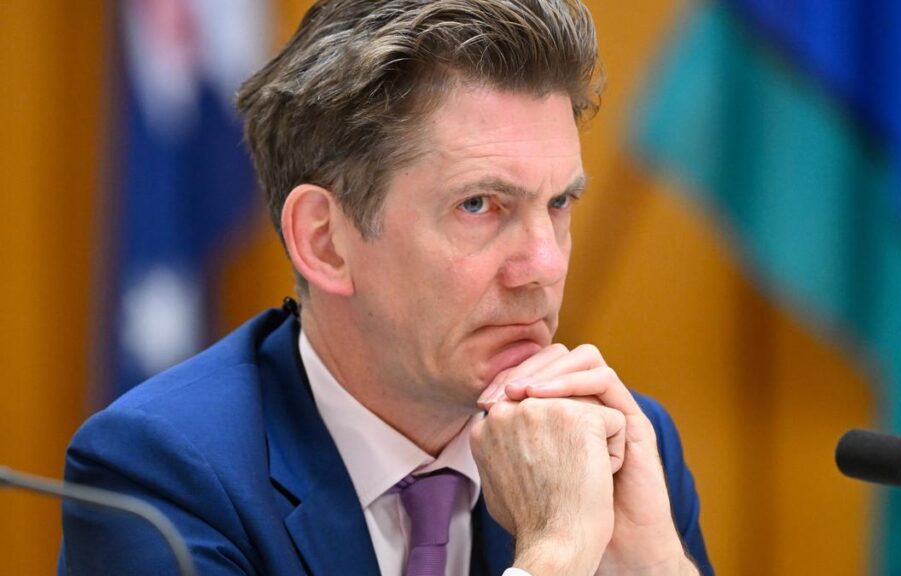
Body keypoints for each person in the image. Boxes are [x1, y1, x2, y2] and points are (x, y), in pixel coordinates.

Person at [60, 1, 713, 574]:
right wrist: (557, 553)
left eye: (560, 203)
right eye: (479, 205)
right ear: (325, 240)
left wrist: (654, 568)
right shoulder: (164, 474)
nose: (543, 265)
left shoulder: (614, 441)